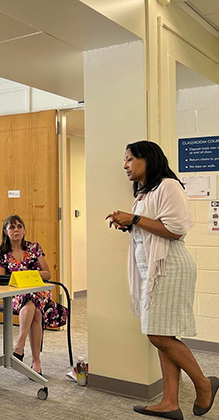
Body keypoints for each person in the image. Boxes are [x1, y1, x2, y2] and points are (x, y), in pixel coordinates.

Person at [106, 140, 218, 419]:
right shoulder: (145, 192)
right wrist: (130, 224)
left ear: (148, 159)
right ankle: (170, 402)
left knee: (157, 333)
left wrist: (133, 219)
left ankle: (204, 384)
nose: (125, 166)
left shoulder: (168, 185)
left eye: (130, 159)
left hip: (170, 267)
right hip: (154, 270)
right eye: (125, 160)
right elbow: (150, 228)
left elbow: (175, 230)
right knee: (163, 333)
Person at [0, 215, 66, 378]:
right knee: (36, 311)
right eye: (12, 227)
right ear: (5, 232)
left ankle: (19, 345)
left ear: (24, 230)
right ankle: (36, 362)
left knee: (33, 299)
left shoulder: (34, 247)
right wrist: (21, 280)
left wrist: (27, 274)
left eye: (19, 226)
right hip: (15, 294)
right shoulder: (1, 253)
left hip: (40, 292)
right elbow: (1, 280)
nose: (16, 230)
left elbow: (47, 273)